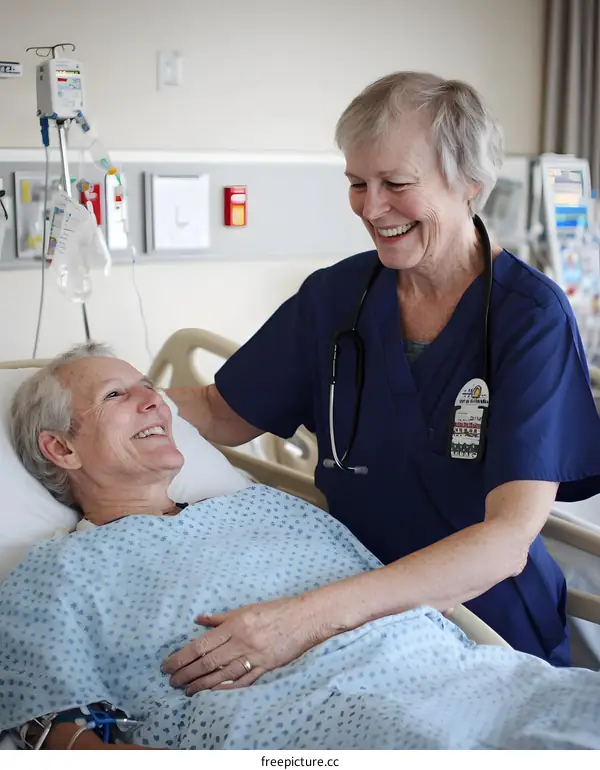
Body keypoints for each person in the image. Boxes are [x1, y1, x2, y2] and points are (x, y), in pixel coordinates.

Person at [164, 70, 600, 691]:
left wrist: (304, 620)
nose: (371, 209)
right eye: (356, 183)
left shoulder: (529, 318)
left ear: (470, 183)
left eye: (396, 184)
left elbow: (507, 540)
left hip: (484, 627)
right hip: (349, 612)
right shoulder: (335, 296)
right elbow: (224, 411)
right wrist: (114, 402)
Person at [3, 344, 600, 751]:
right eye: (116, 396)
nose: (155, 401)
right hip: (321, 731)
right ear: (61, 449)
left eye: (149, 388)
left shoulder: (270, 504)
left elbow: (406, 610)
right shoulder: (56, 576)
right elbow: (61, 727)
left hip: (477, 682)